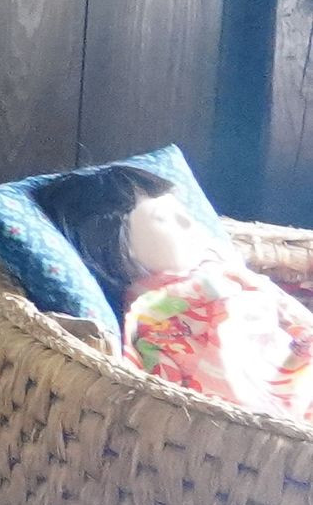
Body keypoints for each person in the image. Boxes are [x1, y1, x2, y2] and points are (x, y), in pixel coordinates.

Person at [41, 163, 313, 423]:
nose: (187, 222)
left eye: (181, 211)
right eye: (164, 217)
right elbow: (234, 395)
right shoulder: (163, 318)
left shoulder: (218, 269)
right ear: (120, 247)